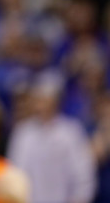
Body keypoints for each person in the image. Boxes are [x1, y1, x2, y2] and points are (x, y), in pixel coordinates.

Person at [7, 70, 96, 203]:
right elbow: (15, 173)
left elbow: (83, 174)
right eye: (37, 98)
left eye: (44, 98)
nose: (40, 103)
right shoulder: (23, 132)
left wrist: (79, 198)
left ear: (55, 100)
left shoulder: (71, 132)